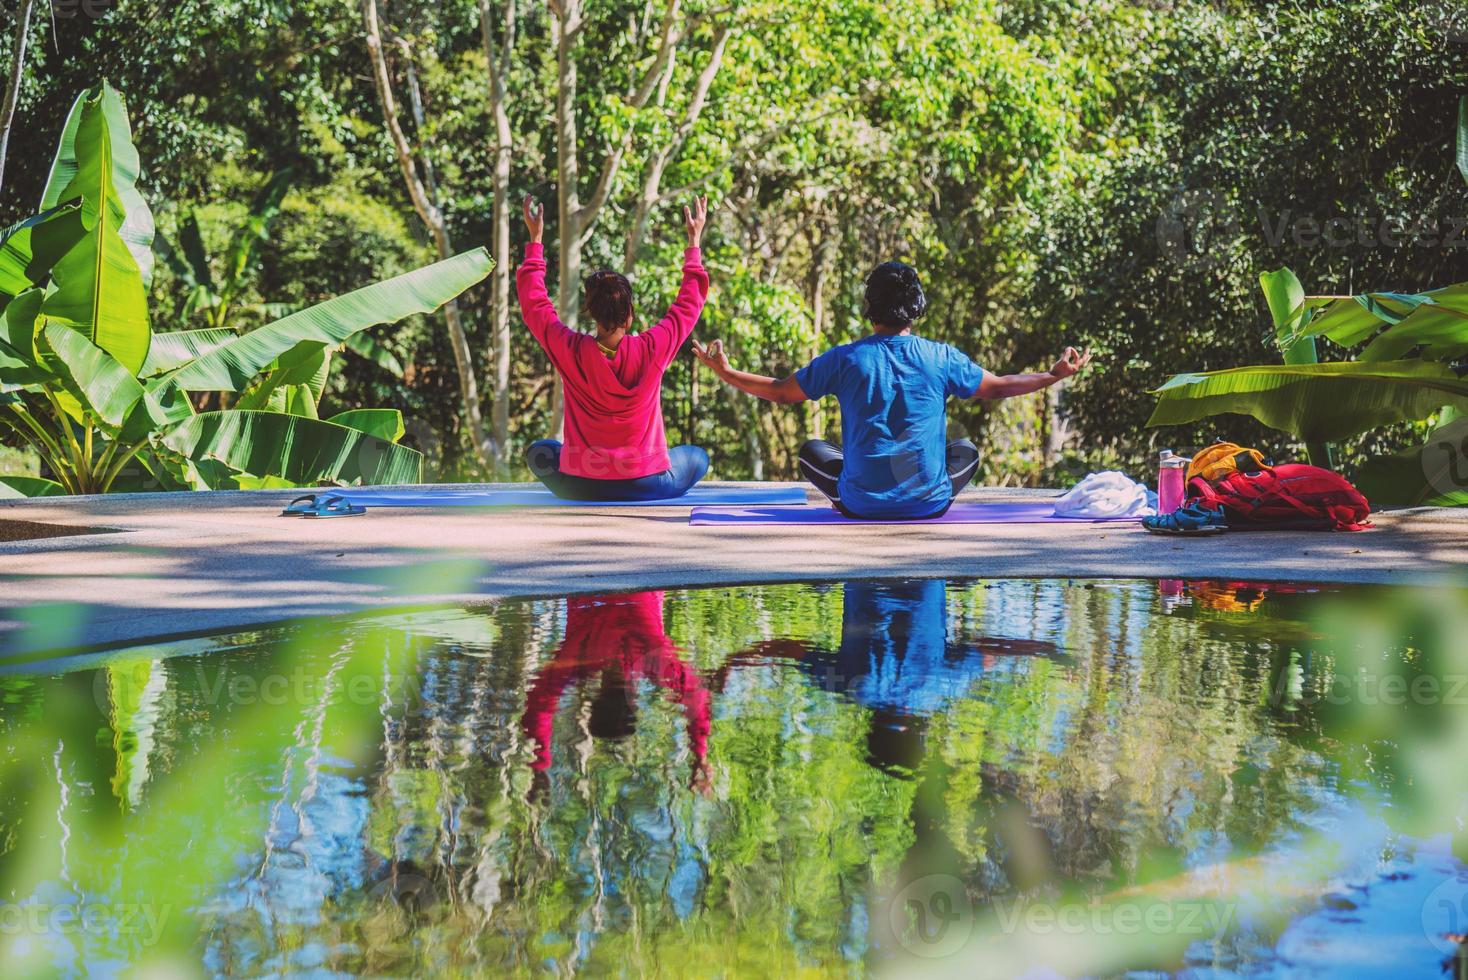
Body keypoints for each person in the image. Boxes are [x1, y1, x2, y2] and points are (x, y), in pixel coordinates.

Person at [692, 261, 1092, 519]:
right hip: (929, 504)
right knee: (966, 451)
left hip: (860, 504)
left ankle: (866, 487)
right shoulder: (940, 357)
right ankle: (912, 490)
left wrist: (727, 373)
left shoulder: (846, 358)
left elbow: (780, 391)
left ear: (870, 308)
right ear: (916, 307)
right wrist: (1052, 375)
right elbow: (999, 387)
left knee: (813, 452)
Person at [517, 194, 712, 501]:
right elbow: (688, 304)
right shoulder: (653, 348)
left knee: (539, 453)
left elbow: (535, 307)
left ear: (591, 312)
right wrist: (693, 242)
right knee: (698, 457)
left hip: (582, 484)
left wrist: (536, 240)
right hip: (647, 483)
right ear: (630, 315)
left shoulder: (571, 351)